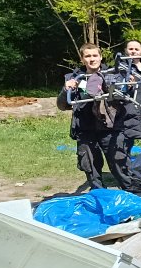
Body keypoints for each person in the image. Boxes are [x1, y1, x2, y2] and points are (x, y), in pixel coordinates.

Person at [57, 43, 133, 191]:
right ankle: (98, 196)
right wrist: (66, 89)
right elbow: (62, 105)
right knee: (90, 165)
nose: (92, 59)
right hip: (85, 129)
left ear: (100, 56)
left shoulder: (115, 74)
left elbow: (127, 99)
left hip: (111, 128)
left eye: (94, 55)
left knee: (119, 162)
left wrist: (128, 86)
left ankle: (132, 192)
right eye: (88, 56)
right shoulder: (75, 78)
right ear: (82, 59)